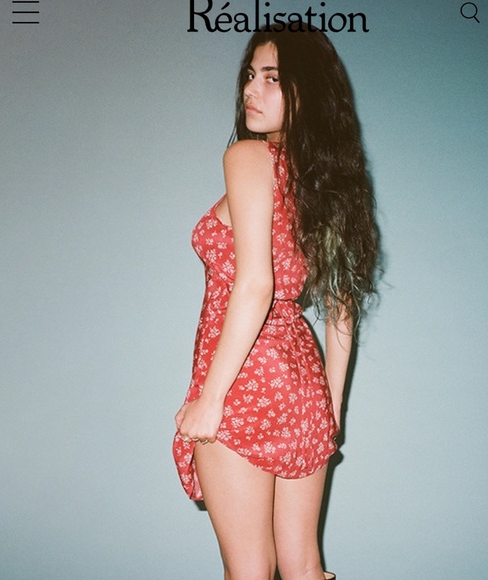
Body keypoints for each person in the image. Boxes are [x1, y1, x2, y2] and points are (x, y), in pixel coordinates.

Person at [174, 25, 381, 580]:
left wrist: (211, 398)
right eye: (250, 75)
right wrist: (331, 409)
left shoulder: (248, 156)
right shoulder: (327, 184)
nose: (250, 89)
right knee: (304, 567)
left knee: (249, 571)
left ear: (306, 91)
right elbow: (342, 308)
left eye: (272, 78)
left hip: (244, 379)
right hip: (303, 381)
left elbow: (255, 285)